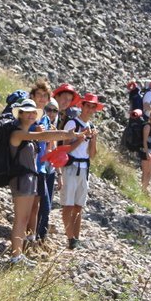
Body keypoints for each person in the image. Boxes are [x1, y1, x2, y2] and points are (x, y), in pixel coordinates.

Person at [8, 99, 86, 265]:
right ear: (20, 114)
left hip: (30, 178)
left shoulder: (27, 133)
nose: (30, 115)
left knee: (26, 217)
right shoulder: (17, 133)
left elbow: (45, 138)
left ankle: (19, 253)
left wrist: (71, 135)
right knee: (21, 218)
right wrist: (69, 135)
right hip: (21, 179)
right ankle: (15, 256)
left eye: (33, 112)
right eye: (26, 112)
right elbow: (45, 136)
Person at [58, 93, 102, 250]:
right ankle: (70, 238)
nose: (90, 109)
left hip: (84, 168)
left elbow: (92, 155)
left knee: (78, 206)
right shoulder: (72, 124)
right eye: (87, 105)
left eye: (92, 107)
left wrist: (93, 139)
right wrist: (81, 137)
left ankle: (75, 238)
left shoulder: (92, 127)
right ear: (81, 106)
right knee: (68, 205)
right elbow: (65, 147)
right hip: (71, 166)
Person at [25, 80, 52, 247]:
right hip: (27, 165)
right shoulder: (27, 114)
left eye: (45, 96)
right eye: (39, 95)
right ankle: (22, 236)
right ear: (33, 96)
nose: (41, 98)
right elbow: (20, 132)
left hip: (41, 166)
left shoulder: (46, 119)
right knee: (26, 204)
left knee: (36, 204)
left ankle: (31, 238)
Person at [37, 97, 60, 243]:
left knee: (47, 206)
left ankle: (41, 236)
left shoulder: (53, 128)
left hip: (50, 170)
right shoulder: (41, 125)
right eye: (49, 109)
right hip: (39, 169)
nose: (51, 113)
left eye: (55, 110)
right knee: (42, 205)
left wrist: (60, 174)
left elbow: (55, 152)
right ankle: (34, 235)